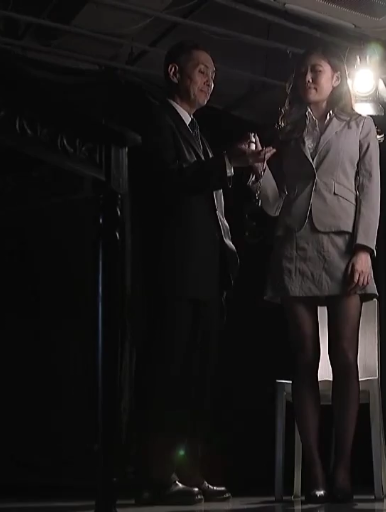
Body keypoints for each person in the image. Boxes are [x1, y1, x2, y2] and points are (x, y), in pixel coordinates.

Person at [127, 40, 275, 506]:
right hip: (174, 274)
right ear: (174, 73)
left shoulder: (199, 133)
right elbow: (169, 183)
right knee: (167, 377)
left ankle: (189, 472)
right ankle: (156, 477)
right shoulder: (158, 120)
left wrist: (246, 172)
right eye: (202, 71)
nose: (211, 81)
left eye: (214, 75)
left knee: (197, 382)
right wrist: (228, 162)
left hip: (208, 276)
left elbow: (211, 200)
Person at [249, 47, 381, 503]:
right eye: (303, 71)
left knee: (345, 358)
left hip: (344, 248)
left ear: (336, 77)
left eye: (316, 70)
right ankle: (317, 472)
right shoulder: (287, 130)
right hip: (295, 248)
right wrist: (258, 172)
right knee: (304, 359)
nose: (308, 77)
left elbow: (370, 190)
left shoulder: (360, 126)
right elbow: (274, 203)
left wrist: (364, 249)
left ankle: (342, 471)